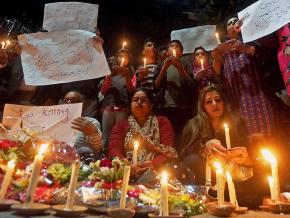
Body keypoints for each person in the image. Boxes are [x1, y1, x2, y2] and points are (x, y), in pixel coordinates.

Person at [177, 85, 268, 208]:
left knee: (263, 164)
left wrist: (247, 157)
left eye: (218, 100)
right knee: (193, 160)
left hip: (233, 172)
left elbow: (245, 149)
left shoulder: (236, 122)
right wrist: (203, 147)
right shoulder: (194, 125)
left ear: (223, 102)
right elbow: (184, 154)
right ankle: (229, 198)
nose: (214, 104)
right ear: (203, 106)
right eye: (209, 101)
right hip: (206, 175)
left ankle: (235, 198)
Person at [212, 17, 275, 136]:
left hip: (259, 97)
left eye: (237, 20)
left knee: (267, 134)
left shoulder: (251, 40)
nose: (235, 23)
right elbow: (217, 72)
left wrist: (246, 49)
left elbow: (267, 55)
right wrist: (216, 58)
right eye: (230, 23)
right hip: (237, 100)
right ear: (226, 31)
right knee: (245, 135)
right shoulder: (222, 49)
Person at [108, 88, 178, 180]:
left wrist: (153, 164)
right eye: (135, 100)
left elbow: (168, 149)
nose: (139, 102)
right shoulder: (121, 125)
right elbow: (114, 148)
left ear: (151, 105)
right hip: (127, 168)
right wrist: (126, 164)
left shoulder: (162, 122)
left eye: (144, 100)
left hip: (156, 169)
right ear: (131, 104)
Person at [155, 40, 196, 149]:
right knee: (167, 136)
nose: (174, 48)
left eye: (177, 46)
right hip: (165, 106)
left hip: (183, 106)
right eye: (171, 46)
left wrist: (181, 69)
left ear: (181, 52)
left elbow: (191, 84)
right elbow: (155, 85)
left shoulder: (186, 63)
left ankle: (181, 160)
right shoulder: (161, 64)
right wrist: (164, 68)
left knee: (181, 135)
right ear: (167, 52)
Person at [100, 48, 136, 152]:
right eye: (120, 56)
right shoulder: (109, 72)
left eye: (125, 56)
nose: (122, 58)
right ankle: (105, 160)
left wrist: (127, 76)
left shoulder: (131, 73)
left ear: (129, 59)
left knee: (120, 136)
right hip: (108, 108)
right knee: (106, 137)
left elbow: (131, 90)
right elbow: (103, 91)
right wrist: (109, 76)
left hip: (122, 108)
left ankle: (118, 158)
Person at [63, 90, 103, 162]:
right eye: (66, 100)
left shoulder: (91, 122)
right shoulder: (56, 124)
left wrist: (92, 133)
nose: (68, 102)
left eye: (73, 100)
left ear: (82, 105)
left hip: (81, 162)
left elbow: (98, 148)